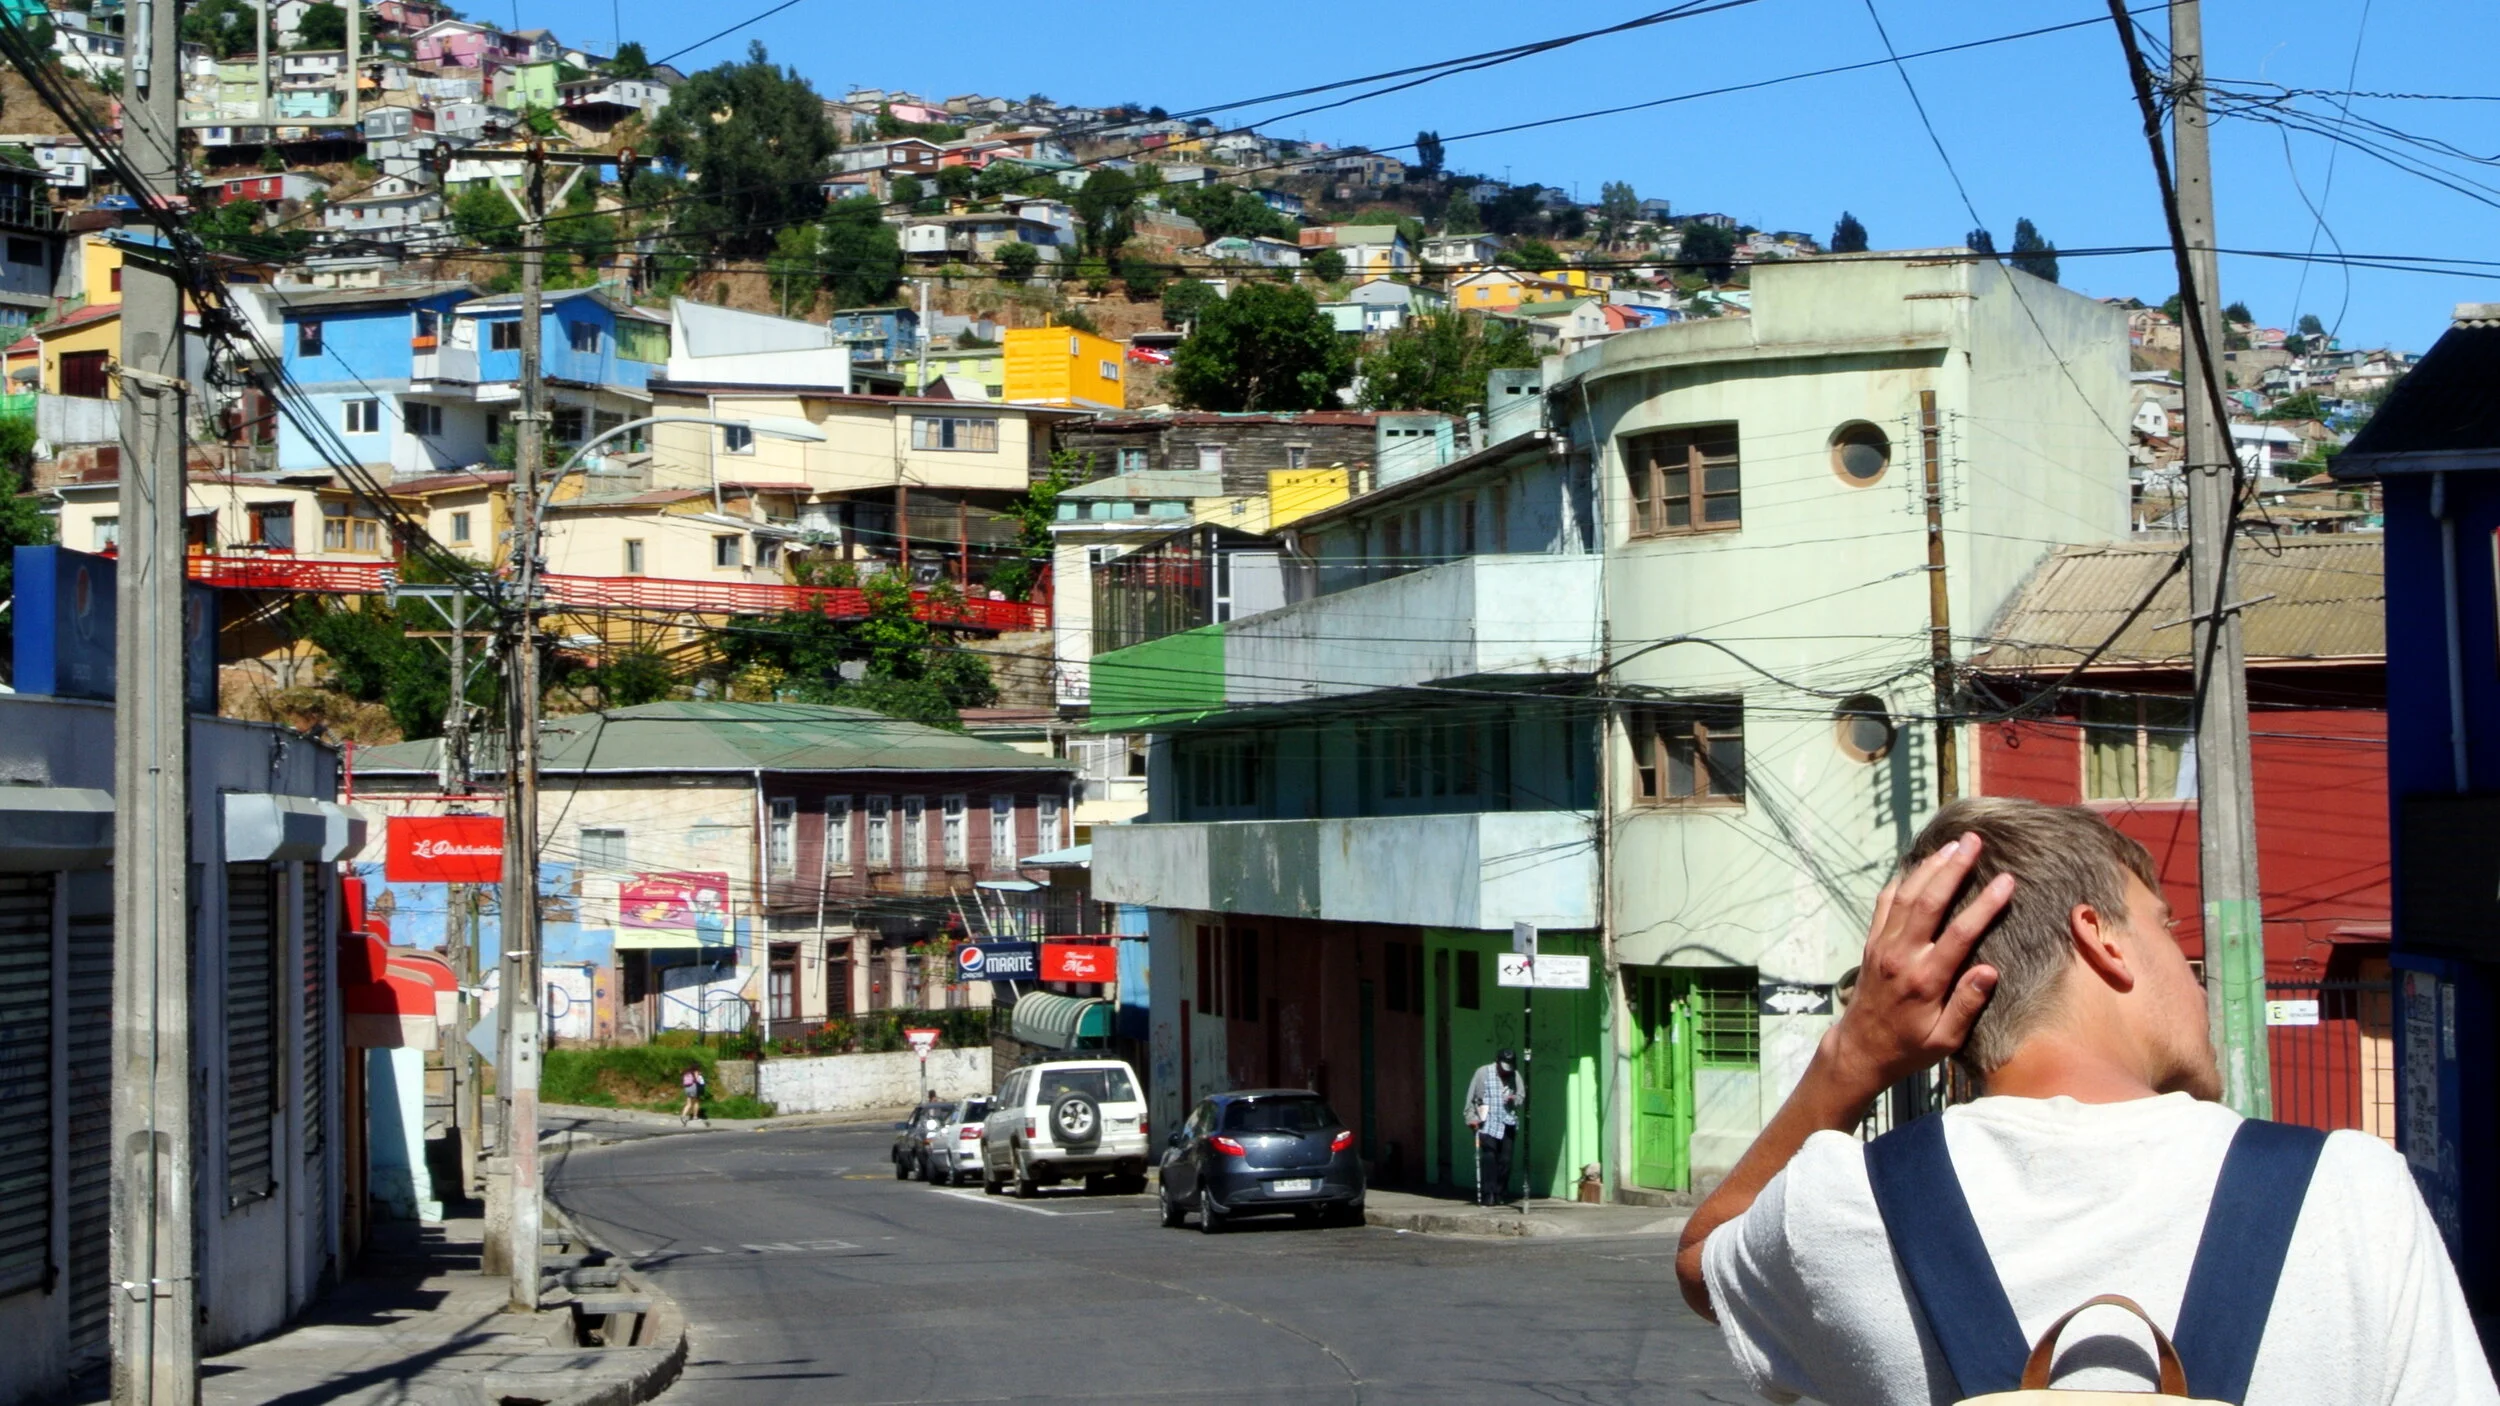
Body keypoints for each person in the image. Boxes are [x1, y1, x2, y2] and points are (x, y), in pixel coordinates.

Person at [1676, 797, 2497, 1404]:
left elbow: (1701, 1261)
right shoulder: (2353, 1193)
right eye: (2167, 927)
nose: (2193, 970)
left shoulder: (1843, 1207)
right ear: (2101, 938)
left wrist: (1851, 1056)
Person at [1463, 1048, 1523, 1207]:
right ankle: (1488, 1194)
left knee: (1505, 1160)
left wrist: (1514, 1099)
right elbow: (1471, 1098)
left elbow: (1521, 1096)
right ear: (1497, 1062)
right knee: (1489, 1158)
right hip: (1487, 1122)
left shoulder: (1515, 1075)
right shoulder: (1482, 1073)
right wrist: (1471, 1118)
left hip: (1507, 1122)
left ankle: (1500, 1192)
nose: (1505, 1071)